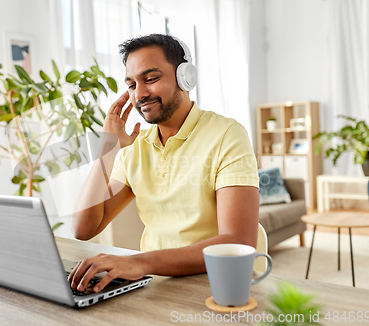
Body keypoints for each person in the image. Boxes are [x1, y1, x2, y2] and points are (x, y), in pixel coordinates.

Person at [68, 34, 259, 293]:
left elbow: (239, 242)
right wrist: (107, 149)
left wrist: (140, 262)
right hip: (154, 285)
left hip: (214, 283)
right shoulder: (134, 146)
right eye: (132, 84)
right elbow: (83, 228)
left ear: (185, 77)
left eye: (151, 79)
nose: (140, 94)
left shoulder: (227, 134)